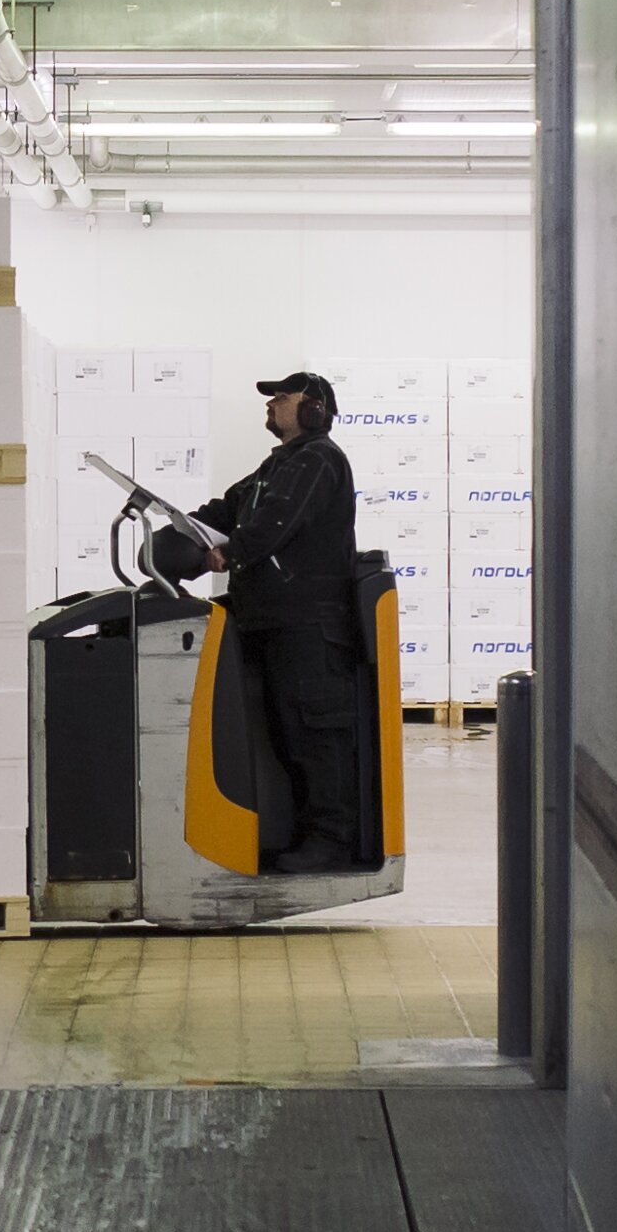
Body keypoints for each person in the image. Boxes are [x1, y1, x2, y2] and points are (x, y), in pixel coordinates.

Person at [189, 372, 379, 873]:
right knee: (285, 737)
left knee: (315, 739)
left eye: (282, 397)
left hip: (309, 626)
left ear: (314, 408)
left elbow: (275, 522)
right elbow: (228, 508)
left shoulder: (318, 459)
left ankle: (331, 841)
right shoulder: (277, 465)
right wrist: (184, 531)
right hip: (275, 621)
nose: (270, 405)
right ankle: (299, 834)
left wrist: (228, 552)